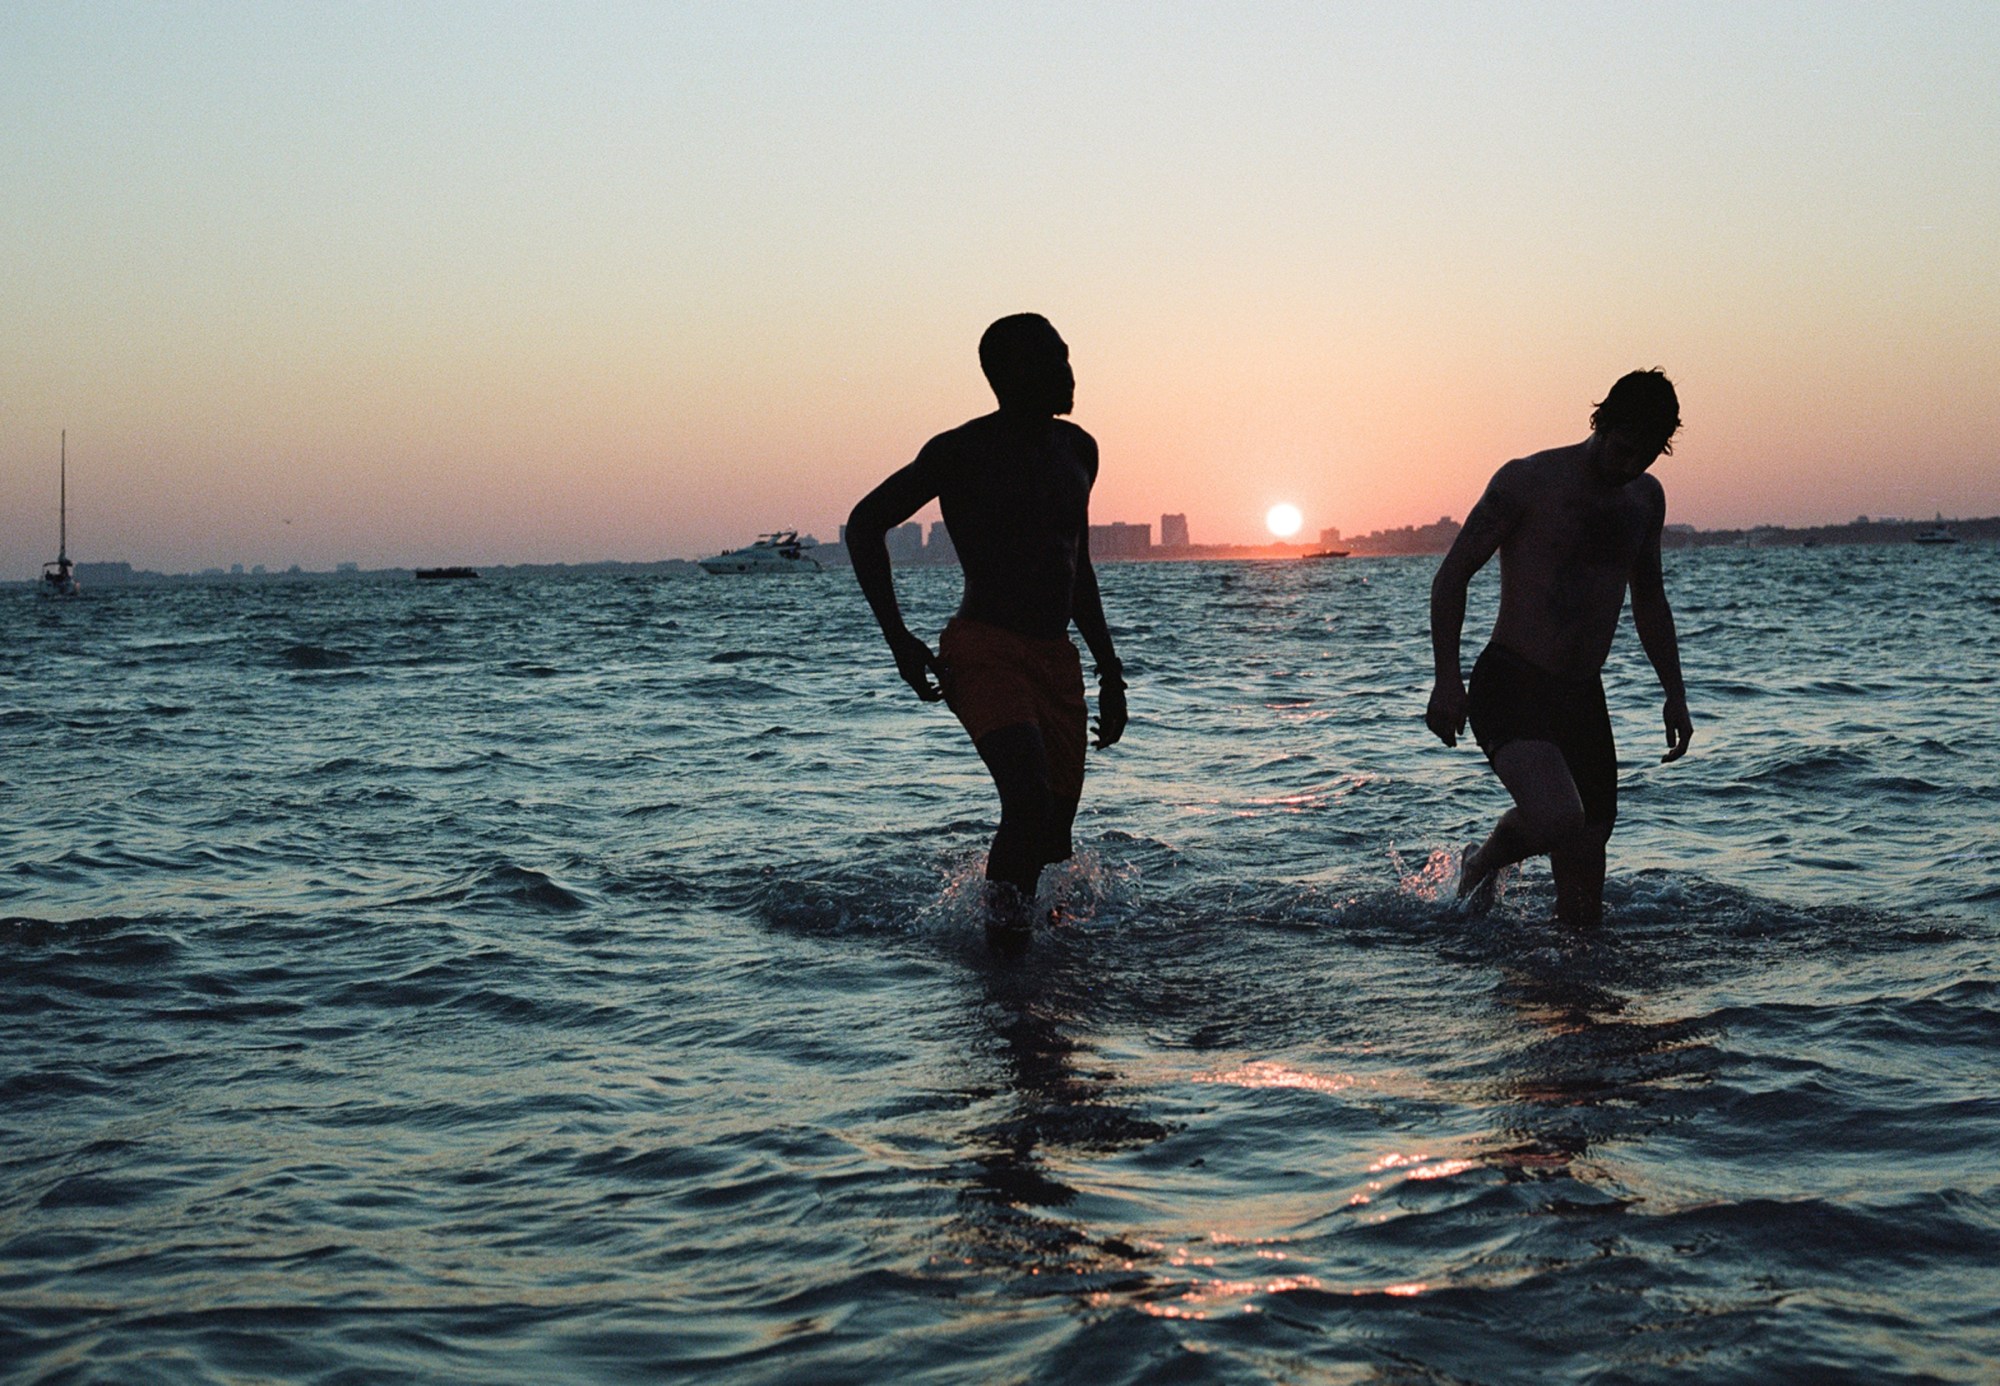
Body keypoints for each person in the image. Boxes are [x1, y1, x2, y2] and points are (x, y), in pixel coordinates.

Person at [847, 314, 1128, 946]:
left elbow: (1075, 565)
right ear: (1014, 373)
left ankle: (1030, 965)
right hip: (983, 650)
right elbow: (865, 525)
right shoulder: (961, 450)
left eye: (1069, 356)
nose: (1070, 372)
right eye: (1056, 360)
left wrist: (1111, 671)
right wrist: (899, 639)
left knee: (1052, 835)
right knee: (1026, 804)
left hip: (1056, 659)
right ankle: (1003, 960)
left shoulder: (1079, 448)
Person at [1425, 369, 1693, 927]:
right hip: (1511, 682)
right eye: (1622, 449)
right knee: (1560, 820)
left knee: (1584, 899)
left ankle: (1577, 1002)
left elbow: (1650, 599)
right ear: (1600, 423)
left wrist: (1675, 693)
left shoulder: (1644, 500)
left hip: (1581, 697)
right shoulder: (1527, 481)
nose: (1629, 467)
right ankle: (1481, 862)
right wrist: (1446, 680)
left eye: (1644, 456)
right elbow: (1452, 575)